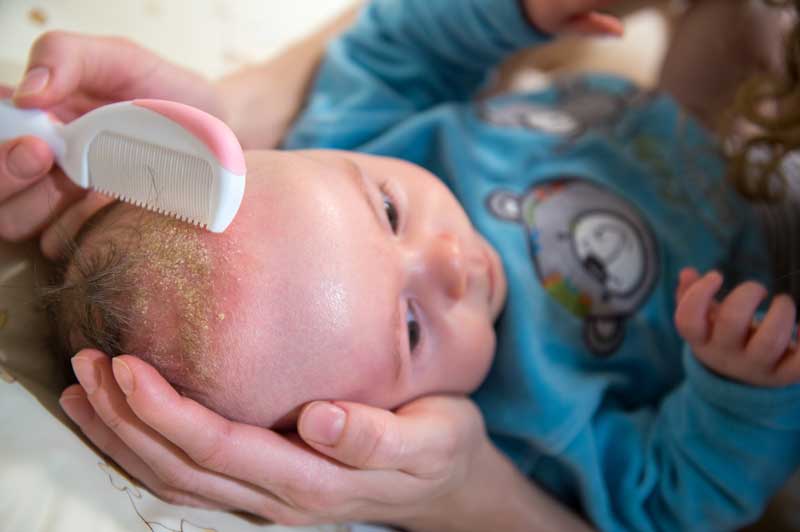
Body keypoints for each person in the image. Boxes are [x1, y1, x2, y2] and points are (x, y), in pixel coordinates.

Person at [4, 0, 799, 530]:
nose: (450, 263)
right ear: (366, 428)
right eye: (413, 327)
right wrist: (742, 390)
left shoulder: (364, 134)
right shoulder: (532, 428)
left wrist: (515, 12)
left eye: (389, 211)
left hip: (684, 109)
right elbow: (670, 499)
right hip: (765, 268)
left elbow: (404, 44)